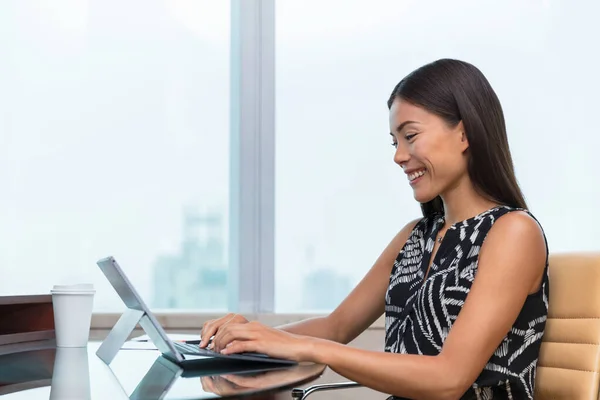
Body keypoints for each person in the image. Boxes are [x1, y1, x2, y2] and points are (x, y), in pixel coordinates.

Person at [198, 59, 549, 400]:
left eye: (410, 136)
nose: (399, 155)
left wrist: (309, 348)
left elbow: (448, 379)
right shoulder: (415, 236)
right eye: (395, 142)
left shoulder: (513, 232)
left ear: (465, 133)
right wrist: (251, 338)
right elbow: (336, 327)